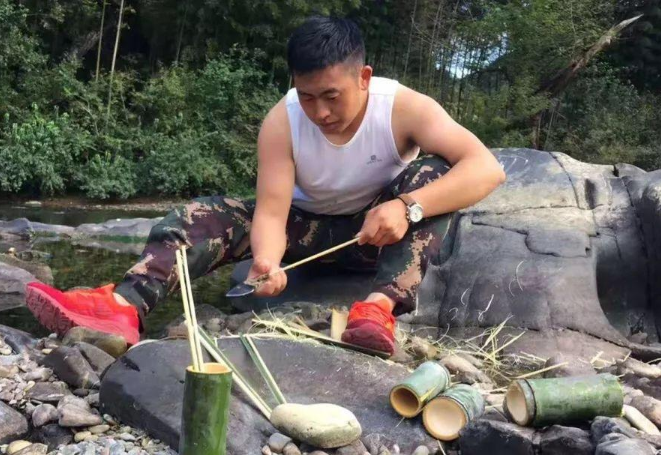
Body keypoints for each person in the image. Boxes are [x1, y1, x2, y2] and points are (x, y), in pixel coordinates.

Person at [25, 16, 505, 355]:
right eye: (307, 96)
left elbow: (485, 168)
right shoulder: (282, 121)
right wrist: (267, 262)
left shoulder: (404, 107)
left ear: (363, 77)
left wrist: (407, 207)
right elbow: (272, 211)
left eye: (332, 96)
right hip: (303, 232)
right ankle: (123, 306)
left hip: (375, 235)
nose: (320, 112)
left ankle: (377, 310)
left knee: (434, 173)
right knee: (200, 215)